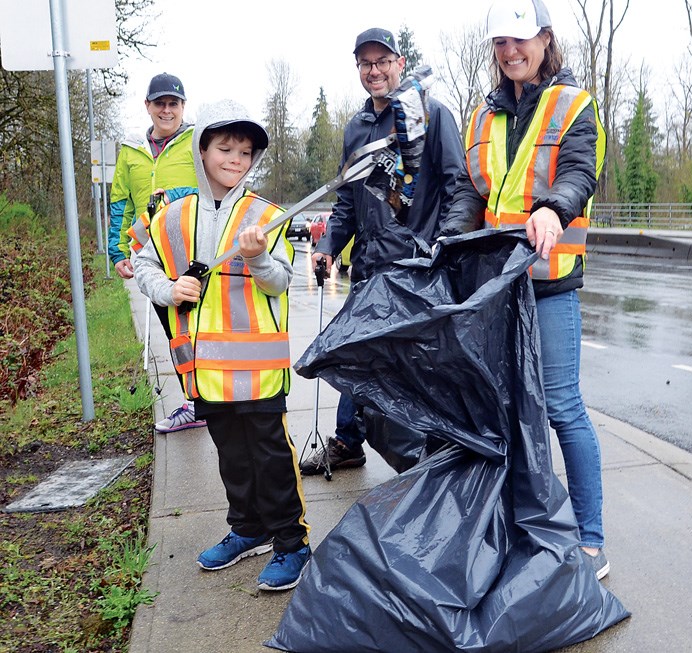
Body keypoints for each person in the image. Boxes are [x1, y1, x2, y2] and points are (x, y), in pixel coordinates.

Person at [439, 0, 610, 579]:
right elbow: (469, 189)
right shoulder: (483, 117)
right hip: (497, 290)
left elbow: (579, 173)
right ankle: (523, 526)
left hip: (549, 285)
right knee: (506, 414)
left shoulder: (573, 105)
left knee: (562, 409)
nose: (511, 52)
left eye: (520, 40)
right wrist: (449, 240)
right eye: (500, 43)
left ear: (543, 39)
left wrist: (554, 209)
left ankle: (590, 539)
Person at [134, 99, 311, 591]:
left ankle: (291, 544)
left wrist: (257, 259)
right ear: (201, 149)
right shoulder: (171, 217)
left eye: (246, 152)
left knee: (270, 458)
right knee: (232, 456)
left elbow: (279, 282)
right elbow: (146, 265)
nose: (235, 159)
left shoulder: (268, 217)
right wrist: (168, 290)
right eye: (225, 148)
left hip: (256, 372)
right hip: (204, 371)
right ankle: (247, 529)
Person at [300, 27, 465, 475]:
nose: (374, 71)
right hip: (369, 268)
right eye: (365, 63)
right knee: (357, 355)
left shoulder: (432, 116)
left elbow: (456, 185)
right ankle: (351, 441)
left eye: (382, 61)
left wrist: (441, 247)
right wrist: (328, 246)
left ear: (400, 64)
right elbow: (347, 201)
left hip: (415, 269)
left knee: (409, 373)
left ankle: (422, 466)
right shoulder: (357, 128)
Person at [109, 72, 204, 434]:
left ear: (183, 107)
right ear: (148, 106)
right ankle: (195, 401)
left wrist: (172, 196)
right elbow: (120, 203)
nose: (167, 110)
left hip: (191, 252)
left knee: (198, 327)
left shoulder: (196, 141)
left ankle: (206, 399)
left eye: (174, 103)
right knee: (174, 331)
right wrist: (117, 252)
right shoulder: (131, 151)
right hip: (152, 257)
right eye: (160, 103)